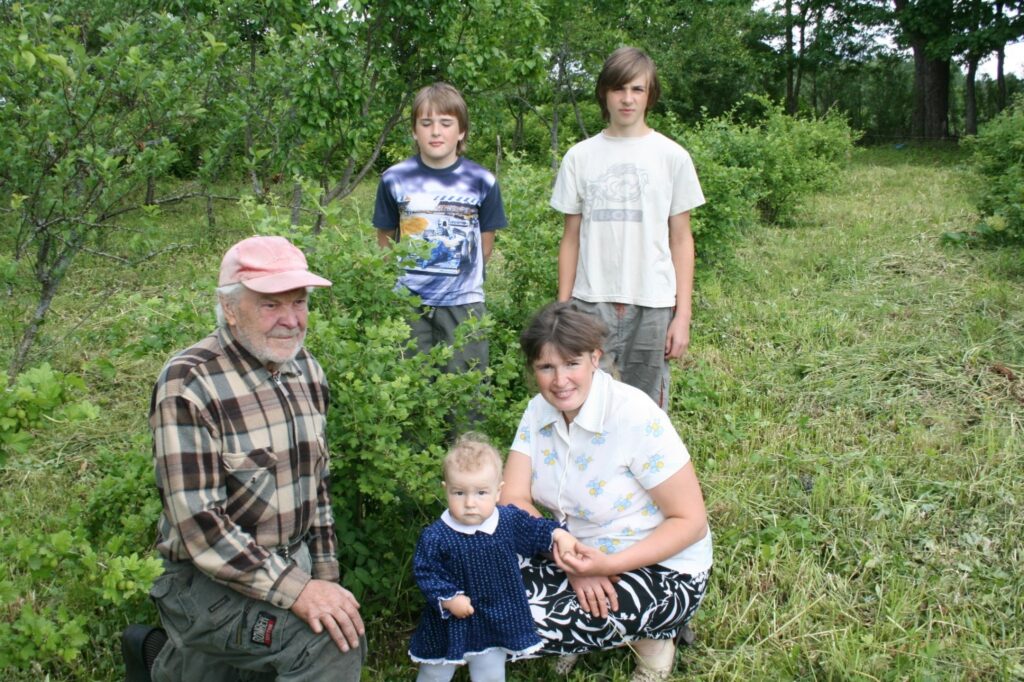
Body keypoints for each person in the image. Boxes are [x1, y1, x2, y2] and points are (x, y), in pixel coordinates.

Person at [122, 236, 365, 682]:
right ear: (230, 309)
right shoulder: (189, 384)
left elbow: (318, 486)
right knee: (329, 645)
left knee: (318, 627)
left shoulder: (305, 369)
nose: (291, 320)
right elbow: (201, 528)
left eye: (299, 301)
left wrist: (325, 578)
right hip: (202, 580)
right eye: (271, 305)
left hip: (290, 563)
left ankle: (160, 662)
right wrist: (299, 592)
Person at [501, 302, 713, 682]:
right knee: (475, 577)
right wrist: (565, 554)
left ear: (594, 359)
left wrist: (608, 565)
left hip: (660, 566)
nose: (560, 380)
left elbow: (692, 522)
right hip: (574, 551)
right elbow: (511, 499)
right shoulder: (538, 412)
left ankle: (655, 637)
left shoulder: (633, 414)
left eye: (571, 363)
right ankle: (588, 631)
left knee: (520, 622)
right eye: (546, 367)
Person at [550, 46, 706, 410]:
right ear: (604, 93)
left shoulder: (672, 157)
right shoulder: (580, 157)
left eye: (637, 89)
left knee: (647, 407)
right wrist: (563, 308)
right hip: (590, 303)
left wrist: (682, 316)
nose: (627, 98)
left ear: (650, 94)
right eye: (618, 88)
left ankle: (647, 468)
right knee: (583, 401)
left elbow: (681, 240)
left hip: (653, 303)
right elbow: (570, 237)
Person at [409, 433, 582, 682]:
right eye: (459, 493)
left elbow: (534, 529)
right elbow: (426, 571)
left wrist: (558, 535)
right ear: (446, 491)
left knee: (489, 670)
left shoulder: (507, 520)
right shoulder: (437, 535)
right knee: (436, 670)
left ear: (498, 491)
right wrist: (448, 599)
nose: (470, 503)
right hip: (451, 621)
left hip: (497, 617)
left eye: (481, 493)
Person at [373, 82, 508, 378]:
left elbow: (485, 244)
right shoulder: (393, 179)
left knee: (466, 391)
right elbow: (385, 239)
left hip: (464, 304)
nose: (436, 131)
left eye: (446, 123)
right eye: (426, 123)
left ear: (461, 132)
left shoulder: (482, 180)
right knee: (407, 387)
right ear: (414, 130)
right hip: (409, 304)